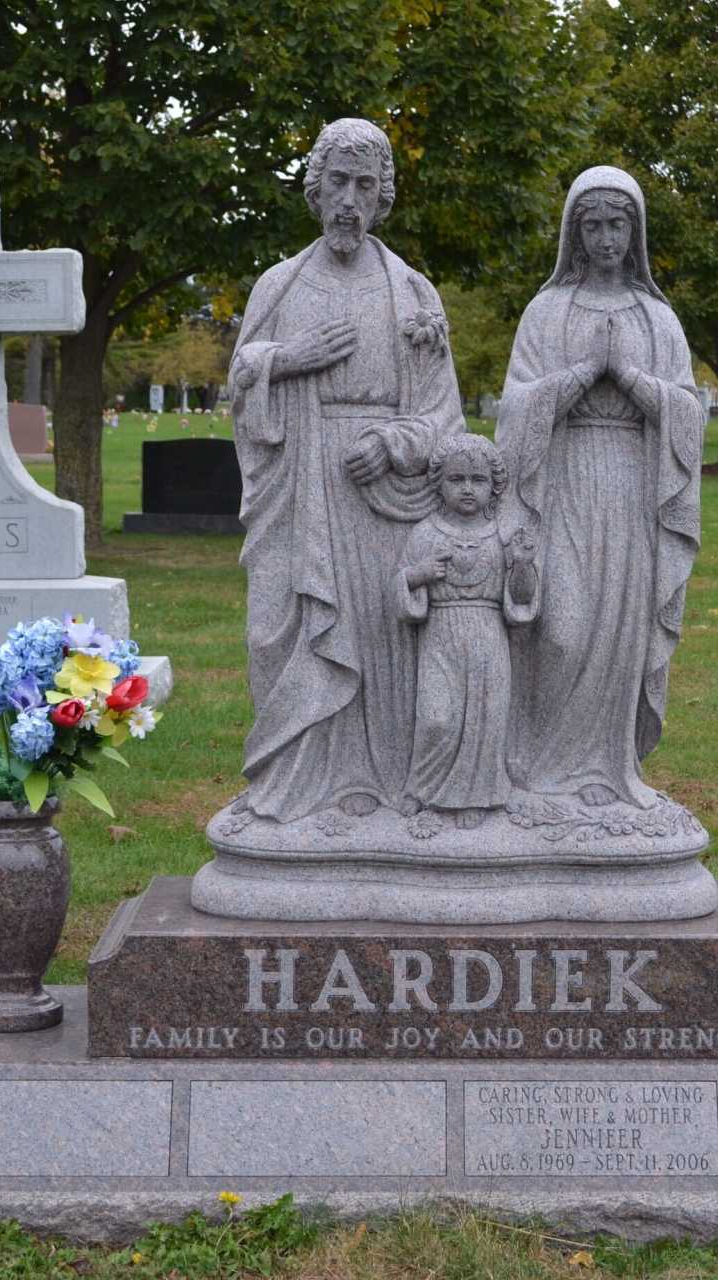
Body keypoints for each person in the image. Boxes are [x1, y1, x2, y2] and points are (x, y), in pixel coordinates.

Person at [226, 118, 464, 822]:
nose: (349, 201)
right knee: (284, 630)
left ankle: (381, 788)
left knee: (386, 634)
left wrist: (392, 443)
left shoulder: (412, 292)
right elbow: (242, 376)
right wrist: (288, 359)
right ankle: (295, 786)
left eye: (366, 185)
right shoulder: (280, 284)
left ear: (383, 196)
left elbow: (443, 415)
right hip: (298, 482)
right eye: (338, 182)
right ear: (315, 188)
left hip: (383, 497)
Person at [493, 166, 704, 809]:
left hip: (634, 489)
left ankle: (611, 774)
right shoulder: (546, 310)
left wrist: (631, 379)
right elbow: (515, 407)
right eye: (593, 226)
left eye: (618, 225)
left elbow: (689, 410)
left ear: (635, 233)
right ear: (574, 234)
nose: (607, 239)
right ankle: (540, 770)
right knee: (560, 629)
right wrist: (585, 373)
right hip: (561, 485)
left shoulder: (655, 317)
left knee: (622, 631)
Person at [394, 435, 537, 829]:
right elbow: (401, 588)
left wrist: (522, 565)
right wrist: (418, 575)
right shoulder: (425, 533)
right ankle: (421, 788)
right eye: (457, 479)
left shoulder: (503, 533)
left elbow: (521, 600)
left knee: (484, 720)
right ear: (439, 483)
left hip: (489, 636)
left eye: (477, 479)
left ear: (494, 485)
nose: (468, 488)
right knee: (437, 717)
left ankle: (476, 795)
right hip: (441, 634)